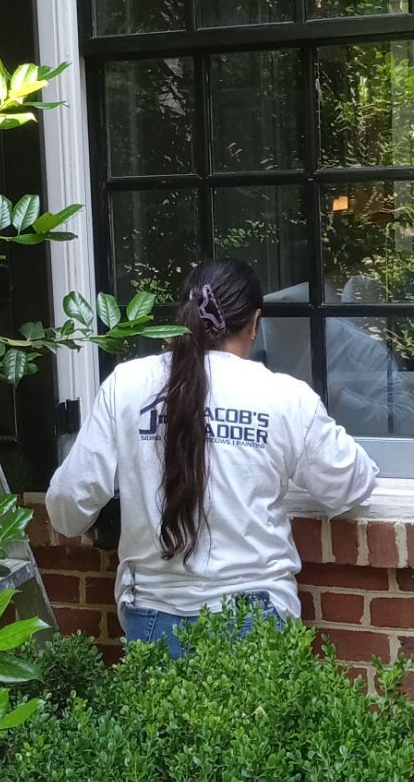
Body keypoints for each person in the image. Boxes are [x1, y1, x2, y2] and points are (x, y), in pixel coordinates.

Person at [46, 257, 379, 655]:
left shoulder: (127, 384)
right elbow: (351, 487)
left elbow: (66, 510)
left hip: (152, 618)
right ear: (255, 323)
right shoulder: (284, 397)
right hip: (257, 617)